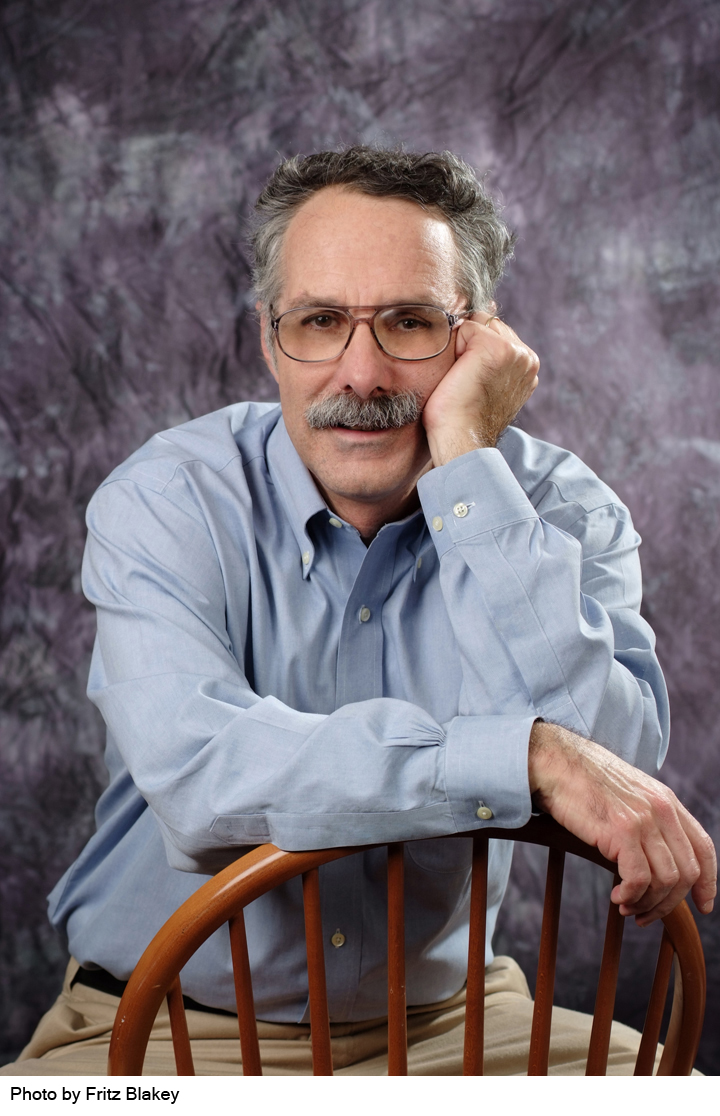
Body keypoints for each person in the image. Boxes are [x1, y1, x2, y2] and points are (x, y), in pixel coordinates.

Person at [3, 146, 715, 1077]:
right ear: (270, 340)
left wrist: (468, 464)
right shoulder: (168, 501)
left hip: (457, 1026)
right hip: (166, 1025)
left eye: (411, 323)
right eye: (321, 322)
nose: (363, 373)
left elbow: (612, 769)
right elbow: (202, 779)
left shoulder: (561, 508)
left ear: (479, 344)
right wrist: (526, 756)